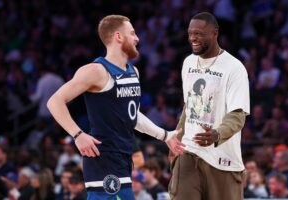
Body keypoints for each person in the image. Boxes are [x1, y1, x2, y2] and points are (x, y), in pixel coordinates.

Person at [47, 15, 185, 200]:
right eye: (133, 33)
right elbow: (54, 102)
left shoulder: (133, 71)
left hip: (124, 157)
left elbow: (132, 115)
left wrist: (165, 135)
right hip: (103, 158)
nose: (137, 38)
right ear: (118, 36)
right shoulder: (96, 71)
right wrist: (78, 135)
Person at [168, 12, 250, 200]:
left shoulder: (234, 68)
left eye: (199, 33)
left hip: (223, 158)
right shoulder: (188, 62)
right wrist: (176, 140)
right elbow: (188, 107)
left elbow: (238, 115)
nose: (193, 38)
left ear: (215, 33)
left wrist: (216, 134)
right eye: (190, 33)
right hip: (189, 152)